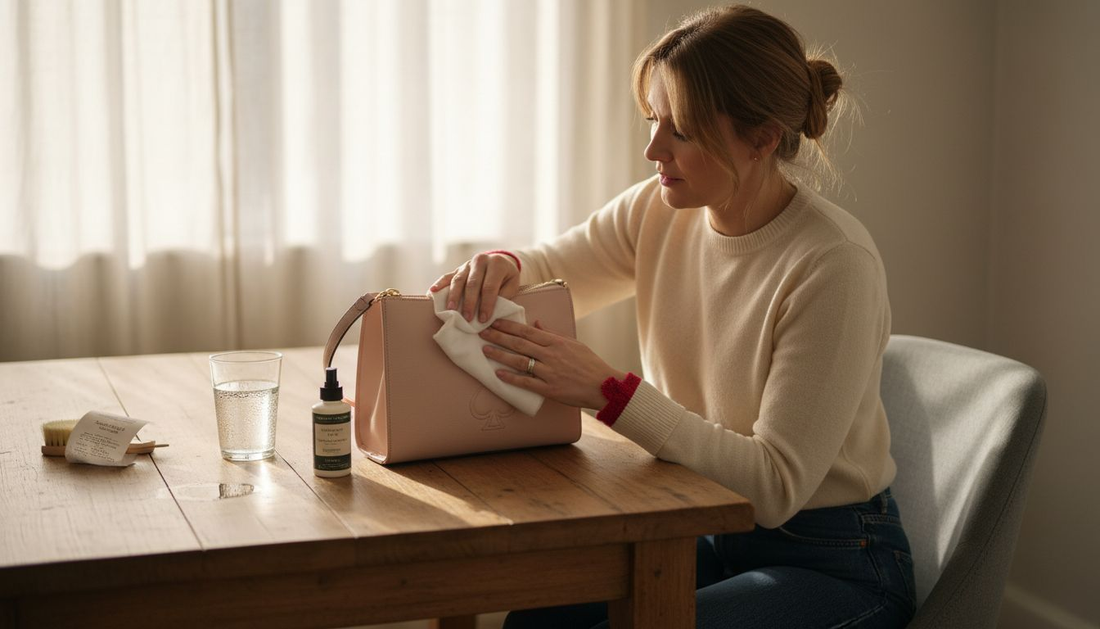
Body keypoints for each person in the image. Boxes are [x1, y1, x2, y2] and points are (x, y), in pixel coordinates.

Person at [428, 5, 915, 628]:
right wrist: (499, 265)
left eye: (679, 129)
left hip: (833, 560)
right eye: (653, 119)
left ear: (762, 138)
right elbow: (551, 267)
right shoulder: (659, 211)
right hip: (701, 527)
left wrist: (609, 393)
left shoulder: (832, 264)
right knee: (537, 621)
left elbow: (774, 486)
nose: (652, 148)